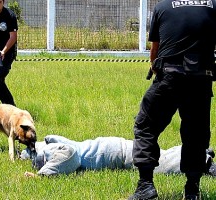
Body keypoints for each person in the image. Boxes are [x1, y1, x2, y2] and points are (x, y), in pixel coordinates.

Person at [129, 1, 216, 200]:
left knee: (146, 127)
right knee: (196, 135)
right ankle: (192, 190)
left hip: (169, 78)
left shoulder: (163, 7)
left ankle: (145, 186)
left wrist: (155, 68)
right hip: (201, 80)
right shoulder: (213, 5)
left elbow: (155, 51)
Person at [20, 135, 216, 178]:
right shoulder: (50, 145)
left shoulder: (53, 148)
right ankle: (198, 151)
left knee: (161, 165)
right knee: (161, 157)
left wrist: (41, 175)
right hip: (120, 150)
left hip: (121, 153)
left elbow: (70, 157)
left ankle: (205, 163)